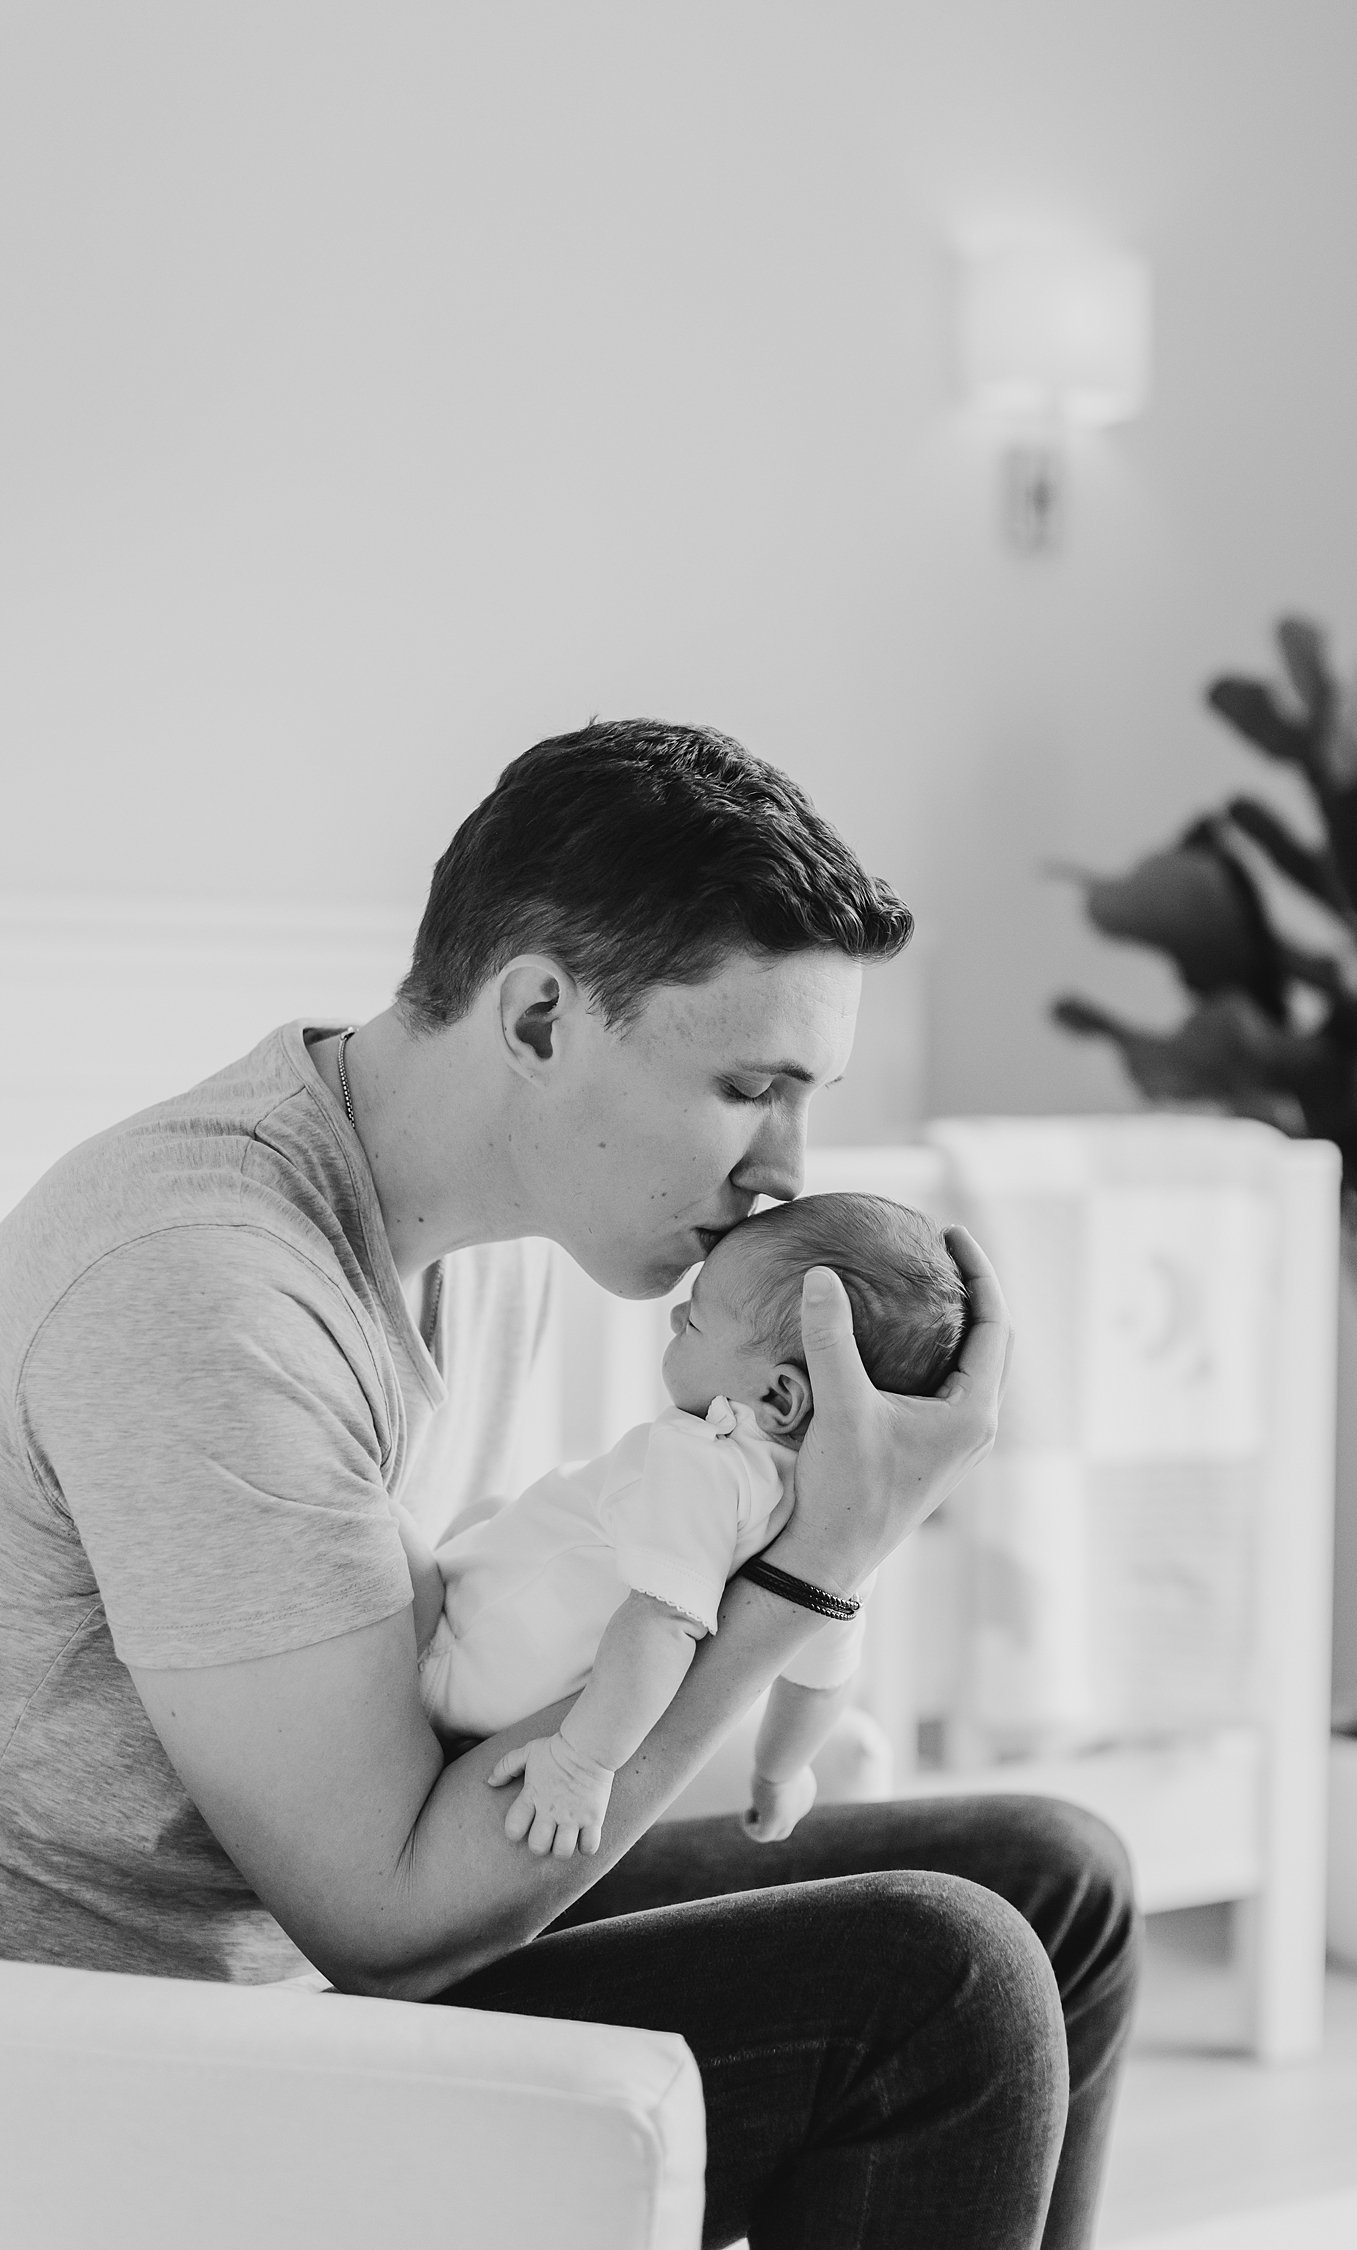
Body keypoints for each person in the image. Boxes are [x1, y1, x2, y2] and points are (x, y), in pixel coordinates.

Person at [0, 719, 1139, 2250]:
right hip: (131, 2075)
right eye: (752, 1084)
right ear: (538, 1015)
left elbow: (464, 1713)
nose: (791, 1167)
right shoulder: (204, 1292)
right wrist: (806, 1572)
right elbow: (387, 1919)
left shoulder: (493, 1246)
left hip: (311, 1945)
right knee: (946, 1986)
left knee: (1058, 1881)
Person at [405, 1192, 967, 1857]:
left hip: (448, 1665)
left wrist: (584, 1763)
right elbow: (820, 1679)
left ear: (780, 1397)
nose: (674, 1315)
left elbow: (661, 1622)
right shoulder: (836, 1532)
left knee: (398, 1526)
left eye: (695, 1322)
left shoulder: (702, 1457)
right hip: (511, 1701)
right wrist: (779, 1771)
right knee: (491, 1516)